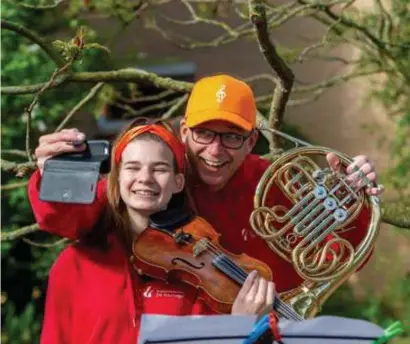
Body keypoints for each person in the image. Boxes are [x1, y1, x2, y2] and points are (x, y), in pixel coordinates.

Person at [29, 74, 382, 295]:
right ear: (184, 131)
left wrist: (351, 204)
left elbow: (340, 259)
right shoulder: (157, 177)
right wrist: (55, 175)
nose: (215, 150)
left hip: (271, 337)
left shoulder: (277, 181)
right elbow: (67, 219)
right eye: (204, 133)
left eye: (231, 136)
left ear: (251, 140)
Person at [31, 119, 274, 344]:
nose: (145, 177)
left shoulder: (202, 273)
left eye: (159, 168)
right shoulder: (73, 264)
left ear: (177, 182)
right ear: (117, 178)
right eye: (132, 167)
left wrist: (240, 327)